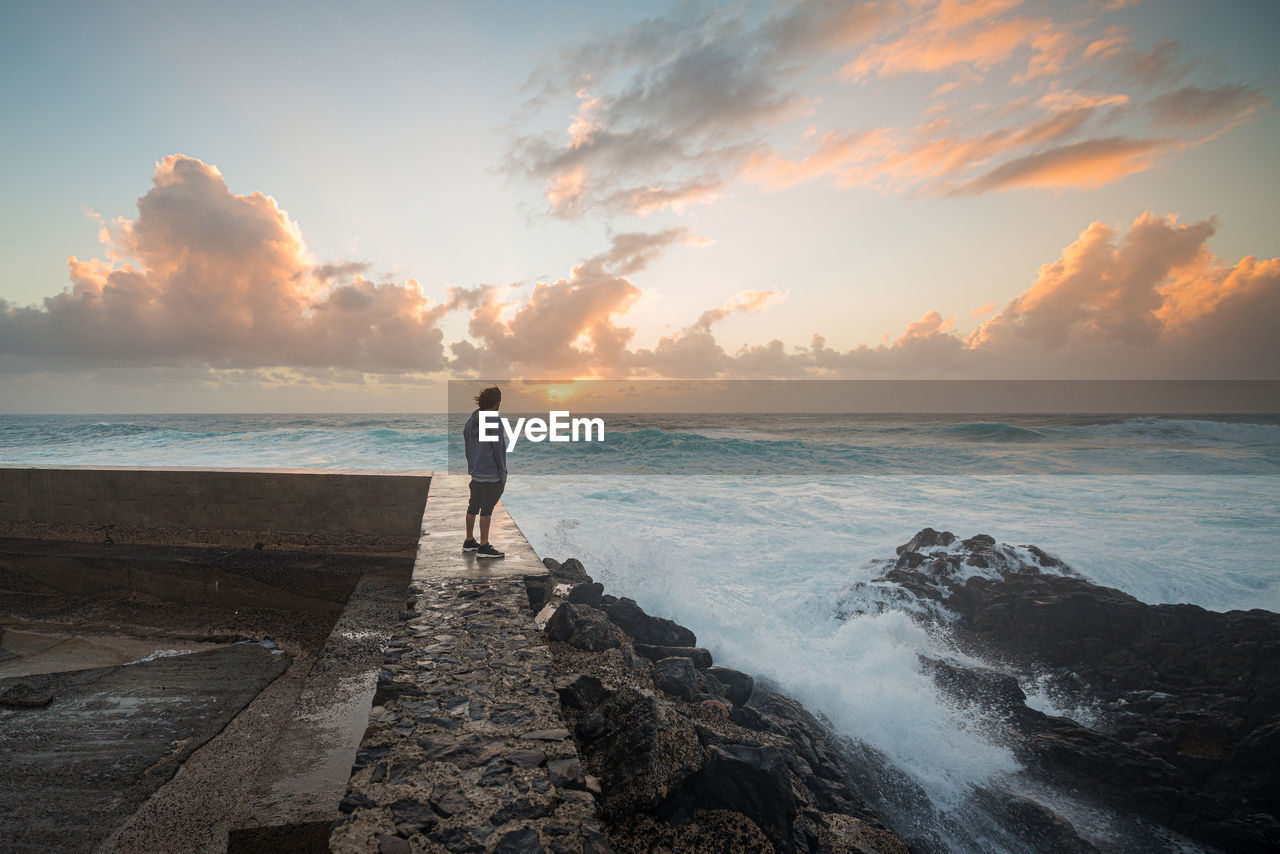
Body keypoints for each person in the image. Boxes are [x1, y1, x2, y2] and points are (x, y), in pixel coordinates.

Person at [462, 385, 506, 558]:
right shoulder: (494, 420)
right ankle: (484, 546)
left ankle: (469, 540)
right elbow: (498, 449)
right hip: (490, 474)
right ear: (497, 403)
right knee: (486, 510)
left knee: (473, 506)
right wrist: (502, 473)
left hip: (476, 473)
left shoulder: (472, 419)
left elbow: (467, 443)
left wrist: (472, 465)